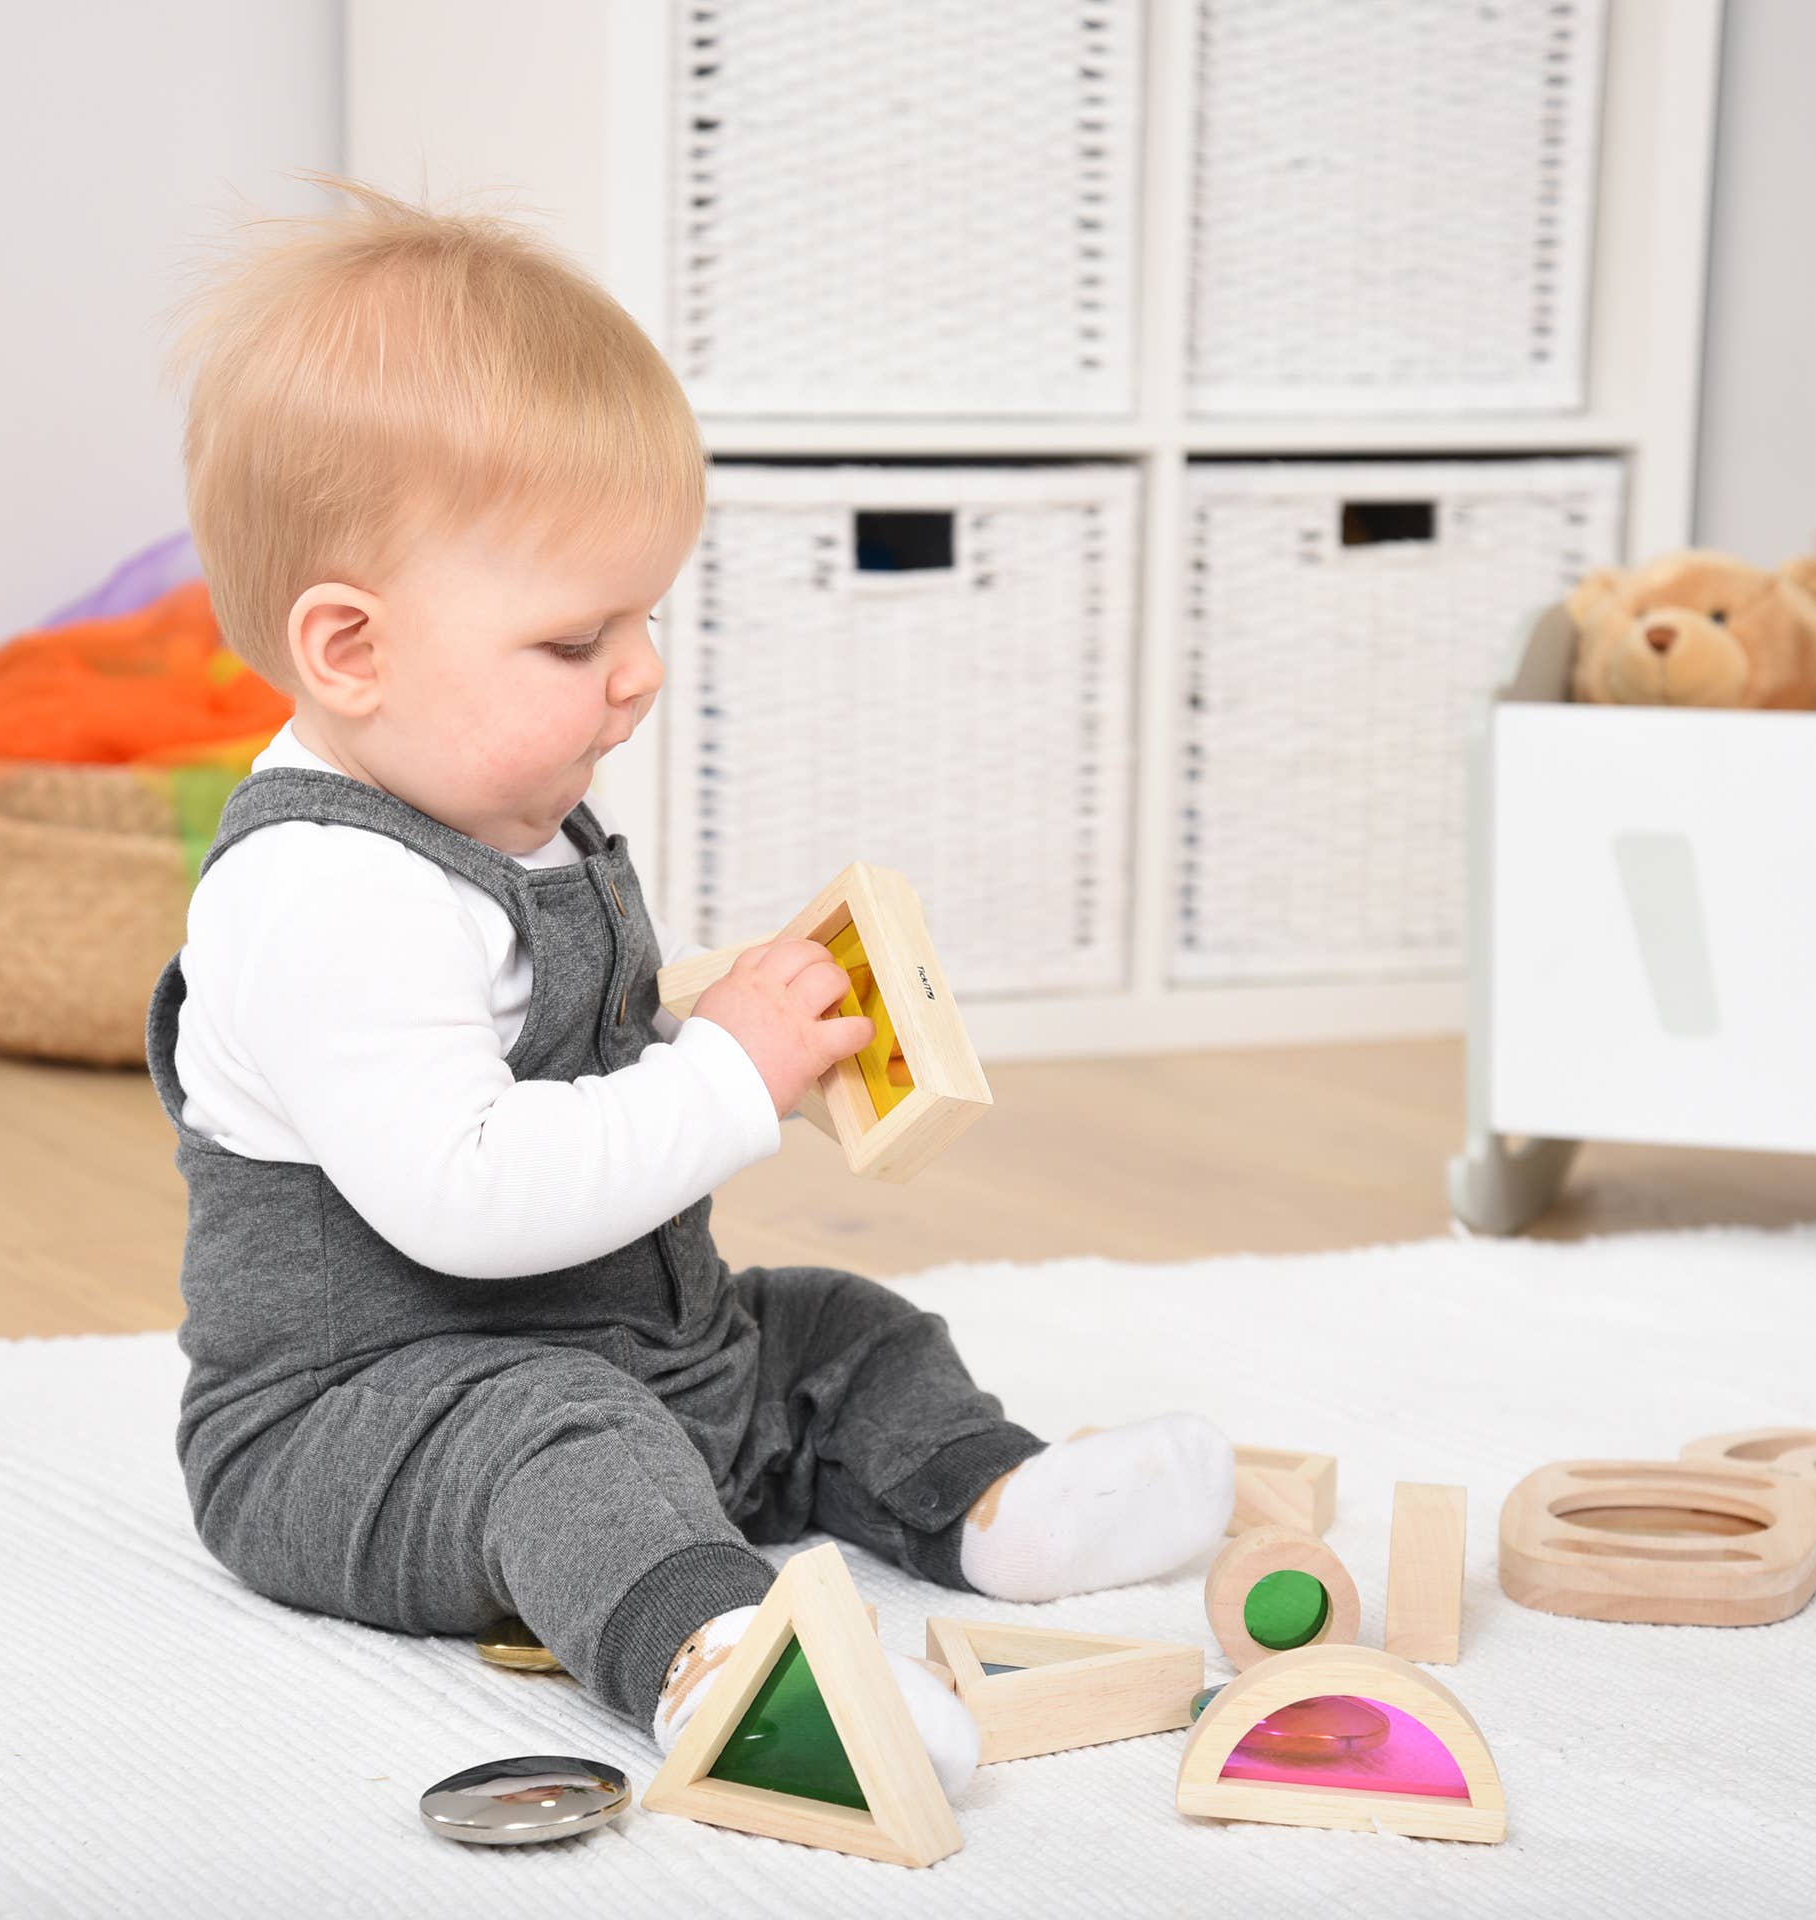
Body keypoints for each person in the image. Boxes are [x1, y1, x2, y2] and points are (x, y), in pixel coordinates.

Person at [146, 171, 1233, 1792]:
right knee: (567, 1448)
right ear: (352, 651)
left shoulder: (495, 811)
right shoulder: (320, 894)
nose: (641, 672)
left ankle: (992, 1506)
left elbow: (545, 1052)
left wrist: (706, 1023)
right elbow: (467, 1196)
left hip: (636, 1350)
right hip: (366, 1425)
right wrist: (722, 1076)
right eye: (576, 641)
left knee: (835, 1331)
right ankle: (724, 1663)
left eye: (645, 616)